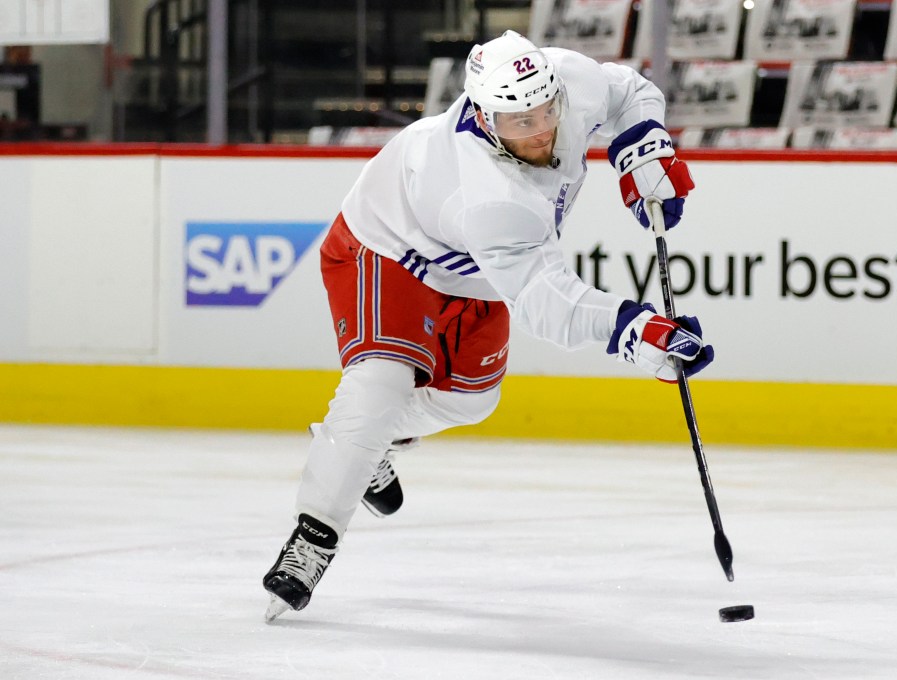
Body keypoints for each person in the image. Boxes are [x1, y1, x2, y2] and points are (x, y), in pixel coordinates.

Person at [262, 30, 714, 623]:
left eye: (546, 112)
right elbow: (547, 301)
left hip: (474, 272)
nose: (540, 130)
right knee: (380, 384)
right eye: (518, 121)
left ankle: (366, 446)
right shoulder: (487, 196)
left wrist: (643, 144)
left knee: (472, 402)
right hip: (388, 250)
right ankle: (312, 539)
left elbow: (629, 90)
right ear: (483, 113)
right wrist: (636, 331)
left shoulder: (569, 82)